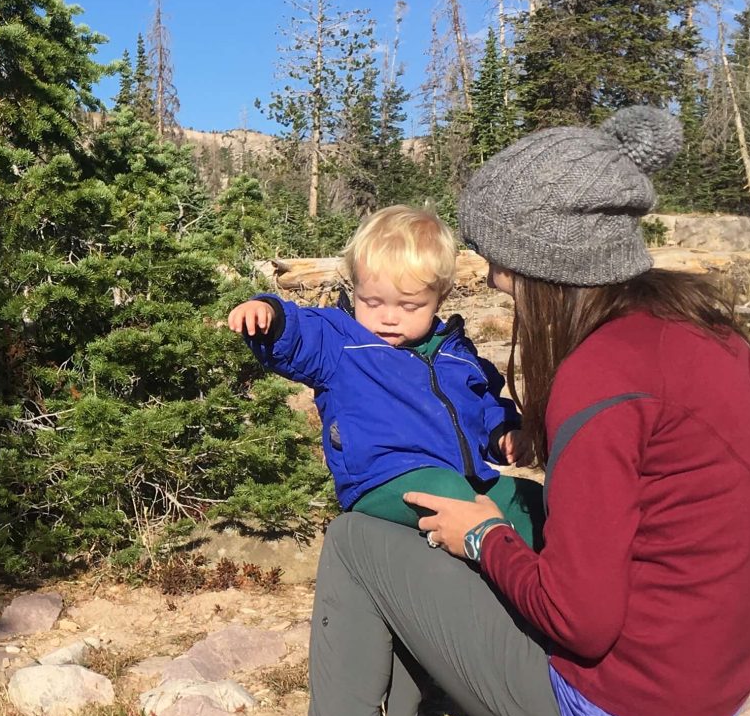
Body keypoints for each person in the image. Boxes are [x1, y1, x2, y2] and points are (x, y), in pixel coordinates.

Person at [246, 106, 750, 716]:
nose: (496, 281)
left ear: (548, 261)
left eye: (502, 264)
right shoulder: (697, 332)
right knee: (467, 525)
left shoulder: (602, 376)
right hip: (707, 683)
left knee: (360, 542)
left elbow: (579, 620)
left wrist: (484, 537)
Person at [228, 205, 542, 548]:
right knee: (448, 496)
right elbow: (301, 333)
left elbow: (482, 405)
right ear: (356, 287)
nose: (388, 318)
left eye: (408, 306)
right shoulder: (342, 340)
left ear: (441, 297)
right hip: (382, 480)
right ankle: (490, 576)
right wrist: (268, 314)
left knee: (531, 501)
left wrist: (504, 435)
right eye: (373, 302)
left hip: (465, 477)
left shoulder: (455, 352)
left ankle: (551, 583)